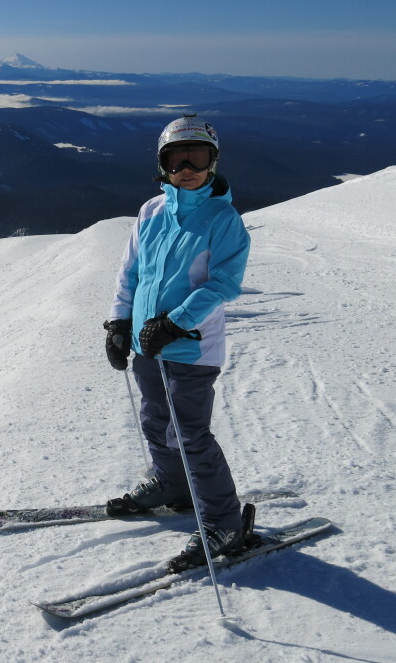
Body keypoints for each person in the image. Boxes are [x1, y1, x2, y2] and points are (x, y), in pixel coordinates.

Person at [102, 114, 251, 567]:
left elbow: (224, 283)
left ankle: (224, 523)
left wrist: (174, 321)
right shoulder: (151, 212)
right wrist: (118, 323)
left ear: (213, 162)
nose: (187, 168)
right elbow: (131, 272)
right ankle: (172, 484)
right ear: (163, 165)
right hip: (149, 343)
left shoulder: (223, 219)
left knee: (190, 435)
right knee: (153, 418)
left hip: (192, 346)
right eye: (176, 159)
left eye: (198, 158)